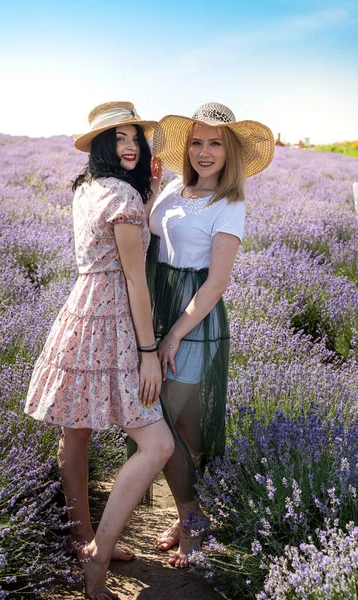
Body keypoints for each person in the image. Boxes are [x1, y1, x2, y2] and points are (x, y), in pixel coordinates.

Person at [24, 101, 174, 600]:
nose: (130, 145)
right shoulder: (124, 202)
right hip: (110, 320)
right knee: (157, 444)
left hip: (78, 312)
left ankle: (79, 535)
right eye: (120, 139)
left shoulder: (87, 189)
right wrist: (148, 352)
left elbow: (112, 247)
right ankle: (96, 558)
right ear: (102, 145)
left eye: (135, 137)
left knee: (77, 429)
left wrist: (146, 192)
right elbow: (135, 279)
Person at [149, 102, 274, 568]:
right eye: (197, 142)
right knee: (181, 426)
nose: (204, 152)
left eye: (215, 143)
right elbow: (144, 235)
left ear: (230, 152)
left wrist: (175, 334)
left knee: (159, 421)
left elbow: (216, 282)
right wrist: (150, 189)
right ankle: (189, 516)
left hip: (194, 322)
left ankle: (192, 519)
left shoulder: (230, 203)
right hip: (156, 309)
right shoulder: (173, 191)